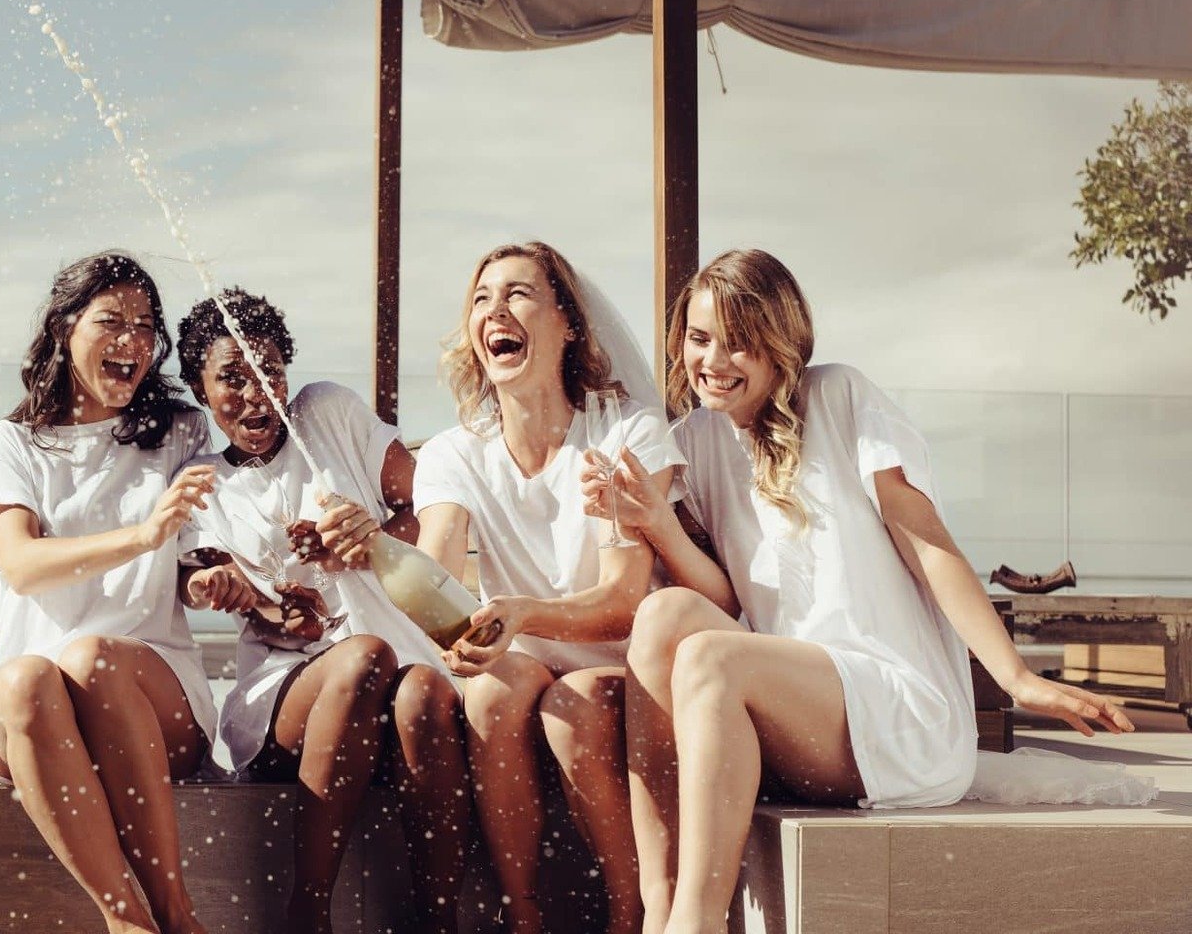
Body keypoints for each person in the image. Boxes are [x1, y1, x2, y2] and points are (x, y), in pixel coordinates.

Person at [599, 248, 1134, 934]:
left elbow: (928, 544)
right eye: (700, 340)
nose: (714, 361)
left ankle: (694, 926)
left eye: (738, 344)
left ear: (779, 343)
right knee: (665, 615)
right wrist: (655, 522)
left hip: (894, 707)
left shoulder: (839, 396)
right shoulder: (695, 439)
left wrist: (1014, 676)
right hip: (798, 709)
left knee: (708, 657)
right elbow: (722, 598)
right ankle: (658, 901)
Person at [416, 242, 718, 934]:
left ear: (568, 323)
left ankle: (629, 911)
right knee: (490, 692)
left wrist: (521, 615)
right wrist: (426, 607)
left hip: (626, 660)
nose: (496, 310)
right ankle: (522, 913)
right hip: (521, 653)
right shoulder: (452, 453)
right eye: (482, 298)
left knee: (572, 708)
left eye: (519, 294)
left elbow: (622, 601)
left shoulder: (625, 431)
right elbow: (432, 571)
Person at [175, 287, 471, 934]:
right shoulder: (201, 481)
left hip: (395, 681)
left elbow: (435, 502)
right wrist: (252, 597)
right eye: (232, 378)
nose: (258, 393)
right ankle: (307, 911)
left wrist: (373, 540)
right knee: (364, 658)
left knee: (423, 690)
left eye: (271, 371)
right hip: (289, 702)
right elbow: (202, 580)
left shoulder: (326, 414)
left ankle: (438, 919)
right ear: (200, 390)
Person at [0, 251, 220, 934]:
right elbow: (21, 564)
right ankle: (126, 920)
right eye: (111, 322)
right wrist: (142, 534)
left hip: (152, 693)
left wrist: (218, 578)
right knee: (24, 680)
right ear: (64, 326)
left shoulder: (179, 433)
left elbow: (195, 564)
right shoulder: (10, 443)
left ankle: (175, 913)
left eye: (145, 326)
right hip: (36, 712)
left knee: (93, 656)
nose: (132, 341)